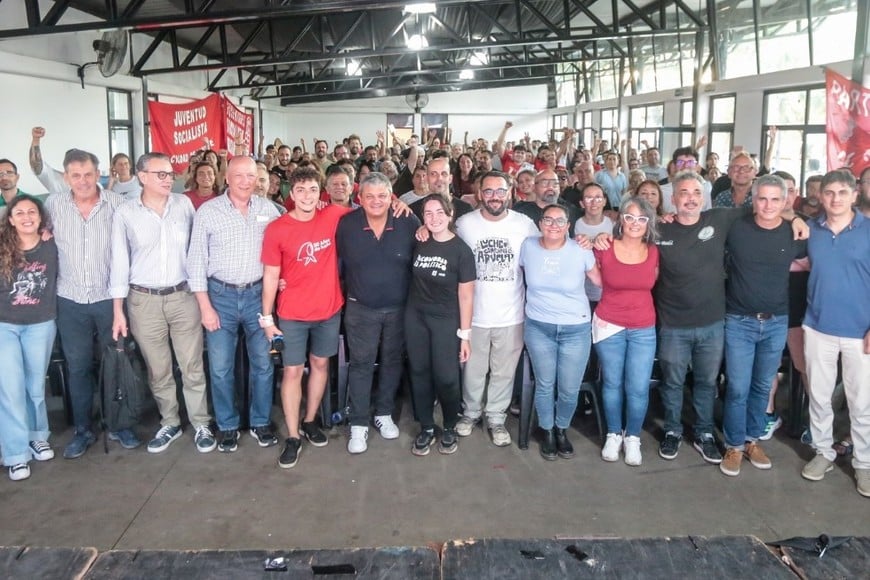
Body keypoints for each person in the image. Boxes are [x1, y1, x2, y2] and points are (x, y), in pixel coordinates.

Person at [110, 153, 215, 454]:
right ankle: (169, 421)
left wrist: (202, 295)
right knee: (159, 369)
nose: (169, 179)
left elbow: (199, 252)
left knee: (192, 364)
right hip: (143, 300)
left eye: (170, 174)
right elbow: (119, 263)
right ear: (142, 176)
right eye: (161, 174)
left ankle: (200, 423)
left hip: (183, 296)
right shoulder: (126, 214)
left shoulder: (184, 205)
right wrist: (118, 311)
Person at [188, 156, 282, 453]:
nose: (245, 181)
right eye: (238, 175)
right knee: (220, 368)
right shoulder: (208, 211)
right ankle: (227, 425)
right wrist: (205, 306)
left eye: (251, 175)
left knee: (263, 365)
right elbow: (195, 261)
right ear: (226, 177)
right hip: (221, 297)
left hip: (258, 297)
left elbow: (284, 246)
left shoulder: (269, 209)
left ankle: (260, 421)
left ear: (258, 178)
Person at [44, 149, 132, 459]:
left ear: (99, 175)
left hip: (109, 299)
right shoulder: (53, 205)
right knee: (78, 366)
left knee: (115, 362)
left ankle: (118, 425)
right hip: (69, 300)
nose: (82, 181)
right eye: (75, 176)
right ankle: (83, 429)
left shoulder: (118, 205)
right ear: (66, 178)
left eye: (88, 174)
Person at [719, 175, 806, 477]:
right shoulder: (736, 228)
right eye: (762, 198)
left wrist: (796, 219)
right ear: (752, 200)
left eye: (775, 199)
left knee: (760, 386)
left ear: (785, 202)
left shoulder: (794, 235)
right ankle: (733, 445)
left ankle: (752, 439)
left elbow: (812, 260)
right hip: (739, 321)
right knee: (738, 387)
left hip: (776, 322)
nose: (768, 205)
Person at [336, 172, 421, 454]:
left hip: (398, 307)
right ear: (359, 198)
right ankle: (358, 422)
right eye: (369, 196)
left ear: (391, 197)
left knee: (392, 361)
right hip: (360, 307)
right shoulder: (346, 224)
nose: (376, 201)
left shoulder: (407, 221)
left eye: (382, 196)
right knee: (361, 364)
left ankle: (383, 413)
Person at [454, 171, 538, 447]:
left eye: (500, 191)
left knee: (503, 370)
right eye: (488, 191)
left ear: (510, 193)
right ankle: (470, 413)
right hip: (474, 314)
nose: (494, 197)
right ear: (479, 194)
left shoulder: (524, 224)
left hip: (511, 314)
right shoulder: (465, 224)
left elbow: (546, 249)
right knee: (473, 369)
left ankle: (496, 417)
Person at [800, 169, 870, 498]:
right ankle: (823, 452)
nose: (836, 199)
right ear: (821, 195)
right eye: (830, 193)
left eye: (843, 192)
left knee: (861, 402)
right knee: (819, 395)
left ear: (854, 195)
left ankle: (864, 463)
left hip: (861, 332)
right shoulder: (811, 229)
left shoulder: (868, 230)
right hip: (817, 326)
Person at [520, 204, 600, 460]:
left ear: (568, 226)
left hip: (575, 328)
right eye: (548, 220)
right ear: (540, 223)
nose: (553, 225)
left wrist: (601, 242)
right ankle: (547, 431)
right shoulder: (528, 246)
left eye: (560, 221)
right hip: (538, 326)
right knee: (544, 384)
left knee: (568, 387)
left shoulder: (581, 250)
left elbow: (601, 282)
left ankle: (561, 428)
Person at [405, 194, 475, 456]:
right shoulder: (419, 240)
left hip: (446, 319)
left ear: (450, 215)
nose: (434, 218)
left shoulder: (462, 251)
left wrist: (465, 335)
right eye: (428, 214)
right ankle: (426, 426)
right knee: (419, 372)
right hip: (416, 317)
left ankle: (449, 425)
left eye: (439, 213)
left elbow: (466, 295)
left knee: (446, 377)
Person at [593, 196, 659, 466]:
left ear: (648, 223)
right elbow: (590, 273)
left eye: (641, 219)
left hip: (643, 325)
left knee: (638, 386)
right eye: (629, 217)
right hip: (609, 323)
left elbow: (653, 281)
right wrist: (592, 238)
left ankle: (632, 437)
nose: (635, 223)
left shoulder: (655, 250)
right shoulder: (605, 246)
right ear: (620, 219)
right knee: (612, 383)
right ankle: (613, 434)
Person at [0, 195, 57, 481]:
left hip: (40, 324)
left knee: (35, 386)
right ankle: (15, 453)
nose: (26, 217)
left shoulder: (51, 243)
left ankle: (37, 435)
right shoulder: (2, 246)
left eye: (31, 212)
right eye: (19, 213)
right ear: (10, 219)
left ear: (40, 217)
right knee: (10, 389)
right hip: (4, 326)